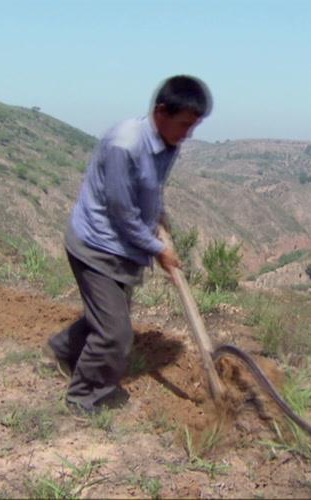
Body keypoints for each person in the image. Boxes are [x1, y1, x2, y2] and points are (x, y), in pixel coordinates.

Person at [45, 75, 212, 415]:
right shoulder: (125, 144)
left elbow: (151, 190)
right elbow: (121, 211)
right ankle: (83, 397)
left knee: (107, 317)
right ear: (161, 112)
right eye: (184, 124)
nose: (188, 134)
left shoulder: (169, 144)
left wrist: (159, 220)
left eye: (193, 127)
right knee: (115, 334)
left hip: (126, 249)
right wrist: (157, 249)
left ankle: (63, 349)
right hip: (97, 246)